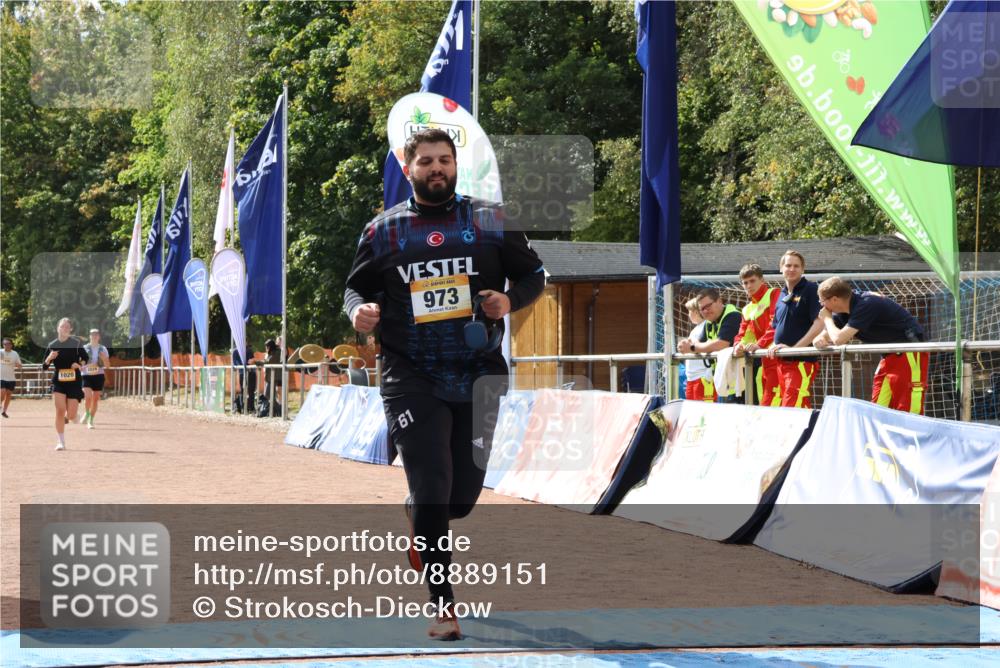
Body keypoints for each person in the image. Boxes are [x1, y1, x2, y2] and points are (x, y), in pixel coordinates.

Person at [343, 128, 545, 641]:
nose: (437, 168)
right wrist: (359, 311)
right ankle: (443, 606)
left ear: (456, 166)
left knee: (459, 501)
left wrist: (509, 300)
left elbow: (534, 275)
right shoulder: (383, 230)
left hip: (478, 374)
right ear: (408, 168)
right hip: (411, 375)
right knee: (432, 487)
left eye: (445, 160)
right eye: (426, 161)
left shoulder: (491, 219)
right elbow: (355, 289)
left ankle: (418, 517)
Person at [814, 277, 929, 414]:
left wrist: (827, 319)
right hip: (889, 356)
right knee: (878, 407)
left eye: (822, 301)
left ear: (834, 299)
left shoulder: (866, 304)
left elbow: (839, 339)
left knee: (908, 406)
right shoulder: (843, 312)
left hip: (908, 352)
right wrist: (819, 338)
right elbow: (827, 335)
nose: (822, 307)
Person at [765, 250, 824, 408]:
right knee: (797, 407)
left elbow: (820, 323)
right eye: (788, 265)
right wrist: (772, 345)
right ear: (781, 268)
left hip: (801, 362)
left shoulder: (811, 289)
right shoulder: (781, 294)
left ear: (803, 269)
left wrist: (795, 349)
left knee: (791, 408)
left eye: (796, 266)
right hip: (781, 362)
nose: (791, 269)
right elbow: (776, 328)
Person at [677, 288, 742, 403]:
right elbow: (698, 343)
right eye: (702, 309)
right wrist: (686, 344)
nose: (706, 311)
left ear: (719, 301)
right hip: (727, 381)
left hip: (743, 379)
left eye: (708, 306)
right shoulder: (709, 322)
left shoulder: (733, 315)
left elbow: (722, 344)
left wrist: (692, 348)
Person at [732, 263, 780, 406]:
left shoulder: (774, 293)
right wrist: (738, 346)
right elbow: (742, 334)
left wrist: (759, 344)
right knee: (764, 405)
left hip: (781, 359)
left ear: (762, 280)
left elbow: (775, 324)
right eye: (745, 283)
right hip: (765, 361)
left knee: (777, 405)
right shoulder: (747, 309)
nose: (748, 286)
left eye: (752, 281)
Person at [42, 318, 87, 450]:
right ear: (58, 328)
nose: (65, 329)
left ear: (71, 329)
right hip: (59, 381)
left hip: (74, 381)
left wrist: (79, 364)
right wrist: (49, 358)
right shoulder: (52, 345)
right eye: (62, 326)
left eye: (67, 327)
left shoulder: (76, 343)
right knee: (60, 410)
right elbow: (44, 366)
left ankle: (74, 416)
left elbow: (85, 358)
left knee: (71, 415)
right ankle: (61, 442)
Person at [680, 297, 715, 401]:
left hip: (703, 377)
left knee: (704, 409)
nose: (688, 315)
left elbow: (710, 346)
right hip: (691, 377)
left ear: (696, 311)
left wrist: (708, 373)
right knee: (692, 408)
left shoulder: (707, 325)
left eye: (689, 311)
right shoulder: (695, 329)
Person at [80, 328, 110, 429]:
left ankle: (90, 420)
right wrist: (86, 365)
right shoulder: (84, 348)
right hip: (86, 375)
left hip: (99, 375)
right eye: (92, 334)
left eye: (96, 334)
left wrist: (104, 359)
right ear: (89, 336)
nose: (94, 336)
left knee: (95, 399)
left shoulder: (103, 349)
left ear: (99, 337)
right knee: (88, 397)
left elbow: (107, 366)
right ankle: (87, 413)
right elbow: (80, 364)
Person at [1, 338, 23, 418]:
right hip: (1, 377)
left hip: (11, 378)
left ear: (11, 345)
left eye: (8, 344)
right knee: (2, 391)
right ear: (3, 345)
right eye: (5, 344)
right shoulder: (0, 352)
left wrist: (18, 365)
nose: (6, 345)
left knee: (8, 394)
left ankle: (4, 411)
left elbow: (20, 365)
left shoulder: (15, 353)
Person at [232, 342, 256, 414]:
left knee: (247, 391)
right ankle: (248, 408)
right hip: (247, 372)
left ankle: (246, 408)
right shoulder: (246, 350)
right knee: (248, 391)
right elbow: (250, 361)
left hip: (247, 372)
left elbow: (236, 363)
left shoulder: (238, 351)